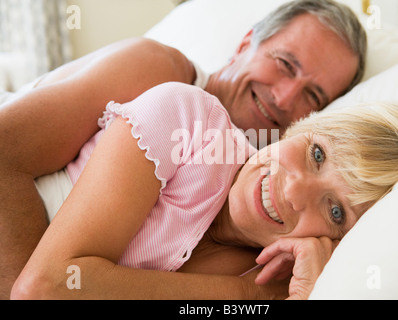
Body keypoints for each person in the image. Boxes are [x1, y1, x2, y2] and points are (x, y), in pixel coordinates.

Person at [0, 0, 367, 298]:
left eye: (313, 96)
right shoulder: (162, 75)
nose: (285, 98)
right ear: (245, 44)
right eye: (285, 64)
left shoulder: (263, 228)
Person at [10, 82, 398, 300]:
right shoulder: (189, 123)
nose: (294, 192)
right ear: (304, 127)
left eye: (335, 212)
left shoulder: (282, 281)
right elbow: (43, 288)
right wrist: (244, 294)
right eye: (316, 154)